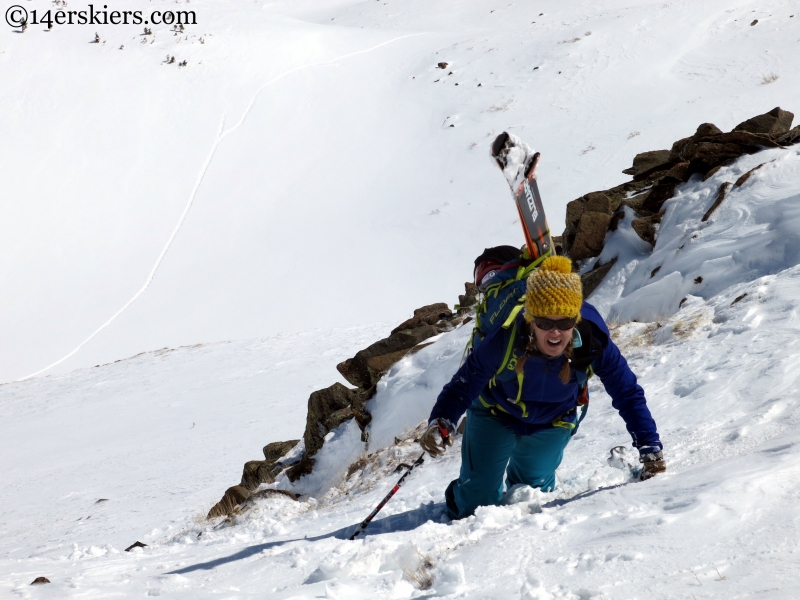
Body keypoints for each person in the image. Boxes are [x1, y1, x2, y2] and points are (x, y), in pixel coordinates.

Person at [419, 255, 665, 520]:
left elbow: (626, 391)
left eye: (564, 323)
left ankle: (523, 476)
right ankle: (466, 494)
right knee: (474, 506)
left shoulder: (593, 340)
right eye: (545, 323)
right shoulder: (506, 337)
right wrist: (442, 421)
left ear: (575, 319)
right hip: (496, 412)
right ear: (531, 319)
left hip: (553, 420)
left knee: (531, 496)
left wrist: (649, 445)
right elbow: (463, 385)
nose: (555, 333)